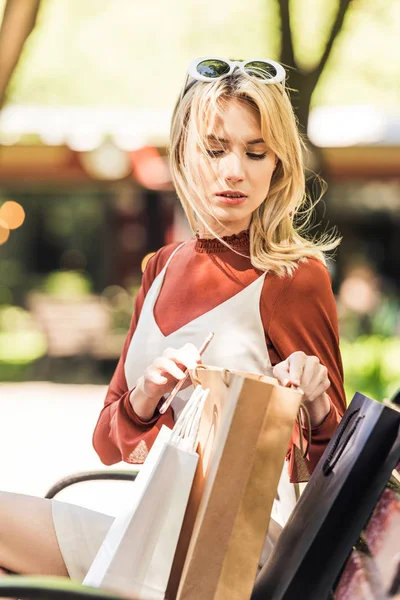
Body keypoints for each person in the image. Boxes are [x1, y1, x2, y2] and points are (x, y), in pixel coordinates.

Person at [0, 57, 346, 582]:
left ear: (277, 165)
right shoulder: (161, 267)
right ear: (184, 151)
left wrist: (317, 404)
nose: (234, 170)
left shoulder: (294, 278)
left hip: (233, 553)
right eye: (215, 148)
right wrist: (147, 394)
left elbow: (341, 468)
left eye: (256, 152)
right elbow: (107, 440)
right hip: (147, 527)